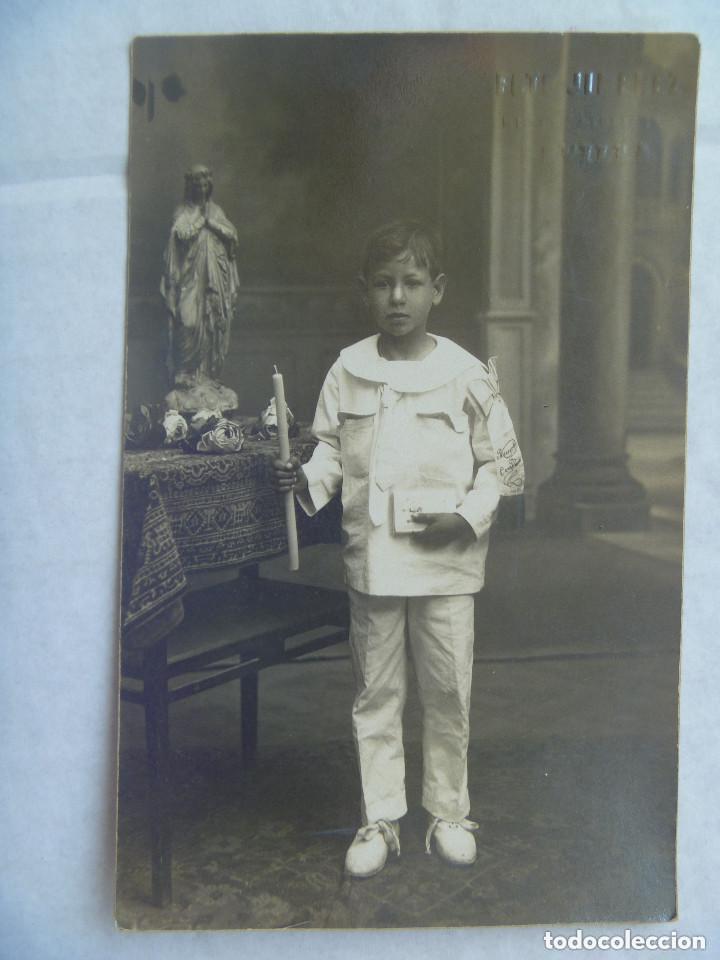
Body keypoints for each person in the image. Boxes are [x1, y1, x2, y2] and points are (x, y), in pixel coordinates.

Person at [272, 220, 524, 877]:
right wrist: (299, 480)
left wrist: (467, 518)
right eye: (384, 284)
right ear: (365, 292)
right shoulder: (348, 371)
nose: (398, 298)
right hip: (376, 561)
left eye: (412, 283)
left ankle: (447, 813)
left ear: (437, 290)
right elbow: (330, 449)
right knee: (375, 693)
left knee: (446, 691)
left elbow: (500, 467)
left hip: (447, 563)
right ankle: (379, 818)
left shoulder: (466, 373)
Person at [160, 164, 240, 389]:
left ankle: (207, 377)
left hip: (215, 278)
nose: (202, 188)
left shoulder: (215, 211)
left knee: (213, 324)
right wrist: (199, 222)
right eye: (197, 184)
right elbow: (179, 235)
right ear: (190, 186)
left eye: (205, 184)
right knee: (188, 321)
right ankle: (185, 374)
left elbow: (232, 236)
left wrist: (210, 222)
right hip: (190, 278)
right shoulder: (183, 211)